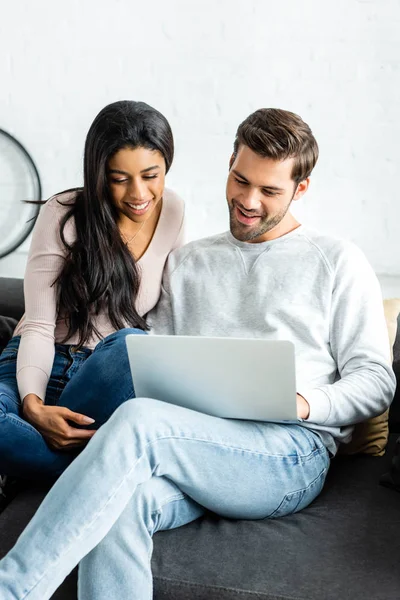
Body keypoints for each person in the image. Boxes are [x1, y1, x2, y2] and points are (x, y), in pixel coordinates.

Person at [0, 108, 395, 600]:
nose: (248, 202)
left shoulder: (337, 260)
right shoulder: (187, 263)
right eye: (240, 180)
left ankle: (12, 589)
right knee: (115, 500)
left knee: (142, 423)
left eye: (269, 191)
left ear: (302, 188)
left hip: (288, 451)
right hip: (196, 443)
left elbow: (377, 380)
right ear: (229, 163)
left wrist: (301, 403)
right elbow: (155, 363)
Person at [0, 100, 185, 495]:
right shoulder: (64, 213)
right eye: (119, 179)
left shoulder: (174, 212)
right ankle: (106, 473)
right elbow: (37, 323)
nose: (139, 194)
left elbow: (166, 316)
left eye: (151, 175)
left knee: (133, 343)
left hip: (105, 373)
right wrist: (32, 405)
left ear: (166, 165)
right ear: (99, 173)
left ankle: (31, 467)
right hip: (37, 363)